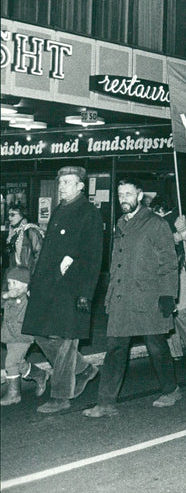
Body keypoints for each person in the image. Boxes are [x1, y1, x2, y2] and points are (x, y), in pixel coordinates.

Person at [82, 178, 182, 417]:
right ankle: (105, 403)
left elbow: (169, 262)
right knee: (115, 348)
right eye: (120, 195)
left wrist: (168, 295)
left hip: (148, 297)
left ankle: (171, 389)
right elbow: (117, 262)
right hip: (121, 298)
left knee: (156, 346)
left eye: (128, 194)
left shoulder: (155, 223)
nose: (123, 199)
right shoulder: (120, 223)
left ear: (139, 195)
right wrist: (109, 296)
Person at [21, 166, 103, 413]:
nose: (61, 186)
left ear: (81, 186)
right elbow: (46, 253)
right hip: (47, 286)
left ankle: (61, 395)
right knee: (39, 333)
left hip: (72, 288)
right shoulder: (59, 210)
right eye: (60, 182)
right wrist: (33, 284)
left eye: (68, 182)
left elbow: (94, 258)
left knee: (67, 340)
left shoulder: (89, 213)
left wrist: (86, 293)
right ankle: (84, 369)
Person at [150, 195, 186, 361]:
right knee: (168, 311)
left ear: (162, 209)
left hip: (183, 270)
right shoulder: (156, 224)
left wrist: (183, 231)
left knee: (181, 311)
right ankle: (174, 351)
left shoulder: (183, 219)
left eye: (156, 211)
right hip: (165, 270)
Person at [1, 267, 49, 405]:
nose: (11, 287)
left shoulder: (29, 298)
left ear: (26, 284)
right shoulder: (9, 298)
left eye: (15, 283)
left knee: (11, 362)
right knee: (18, 362)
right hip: (10, 336)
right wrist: (5, 295)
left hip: (23, 336)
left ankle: (14, 394)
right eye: (9, 283)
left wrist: (28, 292)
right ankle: (39, 375)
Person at [4, 205, 43, 272]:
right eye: (9, 215)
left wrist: (33, 274)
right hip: (17, 274)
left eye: (12, 214)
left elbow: (39, 254)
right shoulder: (14, 233)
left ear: (22, 215)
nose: (9, 218)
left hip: (29, 274)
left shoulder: (31, 231)